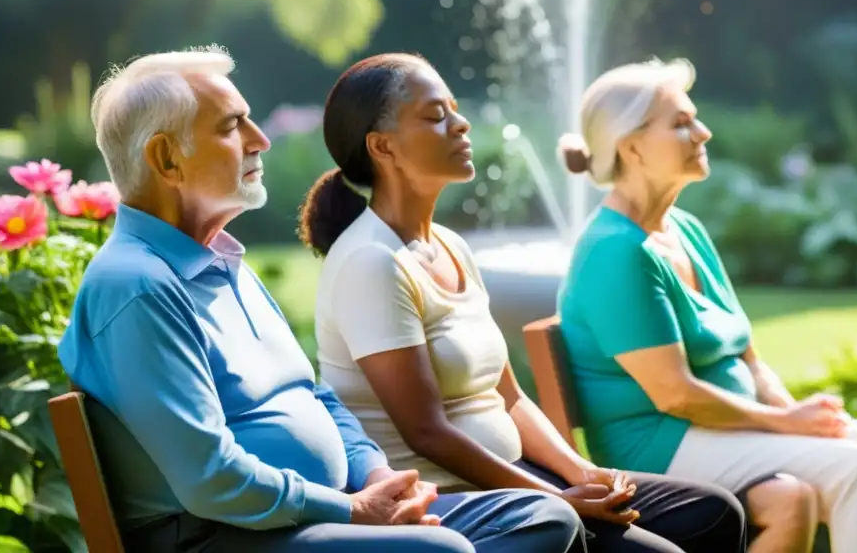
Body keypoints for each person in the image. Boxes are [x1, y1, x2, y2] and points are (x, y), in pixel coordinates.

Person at [57, 46, 583, 553]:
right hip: (225, 535)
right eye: (230, 126)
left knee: (544, 518)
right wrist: (353, 510)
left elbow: (317, 398)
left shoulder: (221, 263)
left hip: (320, 516)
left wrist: (378, 478)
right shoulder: (138, 285)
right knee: (444, 548)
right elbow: (211, 481)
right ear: (166, 158)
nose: (259, 140)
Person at [298, 52, 748, 553]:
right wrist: (558, 496)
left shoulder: (450, 245)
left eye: (454, 108)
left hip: (519, 477)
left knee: (713, 513)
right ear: (383, 147)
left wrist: (583, 471)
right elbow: (427, 433)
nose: (461, 123)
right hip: (458, 501)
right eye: (435, 116)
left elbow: (508, 396)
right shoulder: (371, 261)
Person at [554, 57, 857, 553]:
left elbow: (747, 356)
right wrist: (787, 424)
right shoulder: (616, 252)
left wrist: (792, 411)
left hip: (717, 432)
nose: (704, 132)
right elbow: (675, 394)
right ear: (631, 146)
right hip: (662, 444)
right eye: (682, 123)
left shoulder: (684, 229)